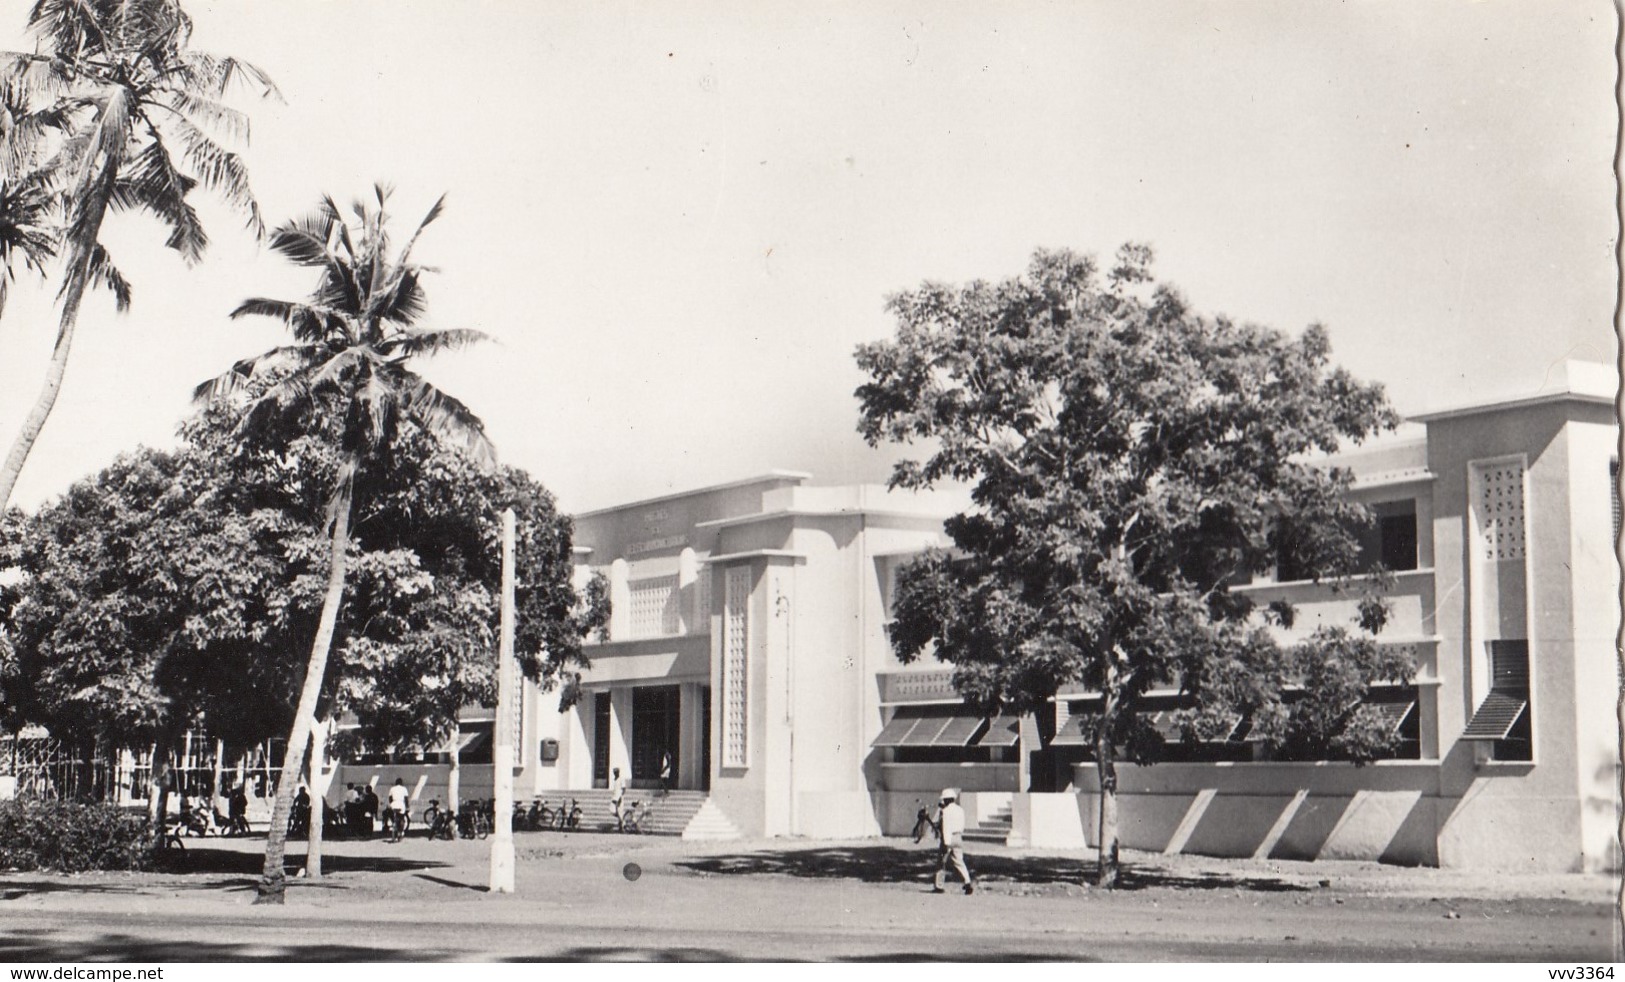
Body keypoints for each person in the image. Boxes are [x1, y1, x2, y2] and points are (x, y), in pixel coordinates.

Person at [932, 788, 974, 895]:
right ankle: (967, 882)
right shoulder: (960, 810)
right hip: (958, 836)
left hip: (949, 838)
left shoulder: (945, 811)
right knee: (959, 861)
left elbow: (946, 828)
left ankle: (939, 885)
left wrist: (946, 843)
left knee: (941, 862)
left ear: (946, 800)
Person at [609, 767, 628, 831]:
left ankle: (623, 825)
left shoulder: (621, 779)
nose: (615, 774)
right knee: (613, 810)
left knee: (620, 811)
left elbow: (624, 789)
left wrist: (620, 796)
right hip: (615, 797)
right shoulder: (615, 779)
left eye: (616, 772)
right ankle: (621, 822)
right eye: (614, 773)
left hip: (619, 798)